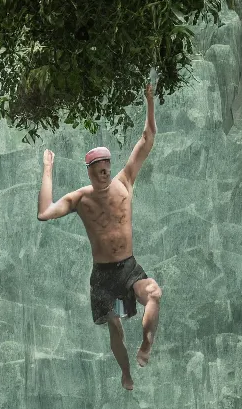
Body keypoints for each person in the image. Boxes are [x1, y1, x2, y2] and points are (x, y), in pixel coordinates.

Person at [37, 84, 161, 390]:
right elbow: (44, 212)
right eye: (97, 171)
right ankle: (126, 372)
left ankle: (147, 342)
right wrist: (48, 170)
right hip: (104, 276)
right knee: (115, 330)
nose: (104, 174)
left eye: (106, 169)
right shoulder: (80, 199)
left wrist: (148, 100)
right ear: (90, 173)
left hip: (129, 267)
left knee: (154, 295)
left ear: (110, 167)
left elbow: (147, 139)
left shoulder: (125, 182)